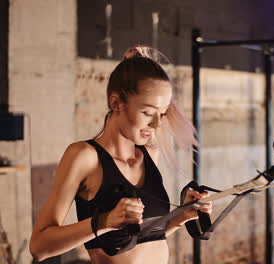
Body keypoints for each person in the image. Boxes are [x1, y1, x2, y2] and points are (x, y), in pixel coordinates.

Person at [29, 46, 212, 264]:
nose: (156, 124)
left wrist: (181, 216)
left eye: (162, 114)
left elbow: (142, 240)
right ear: (116, 103)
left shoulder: (150, 155)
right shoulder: (84, 156)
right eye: (147, 113)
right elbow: (39, 247)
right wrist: (104, 221)